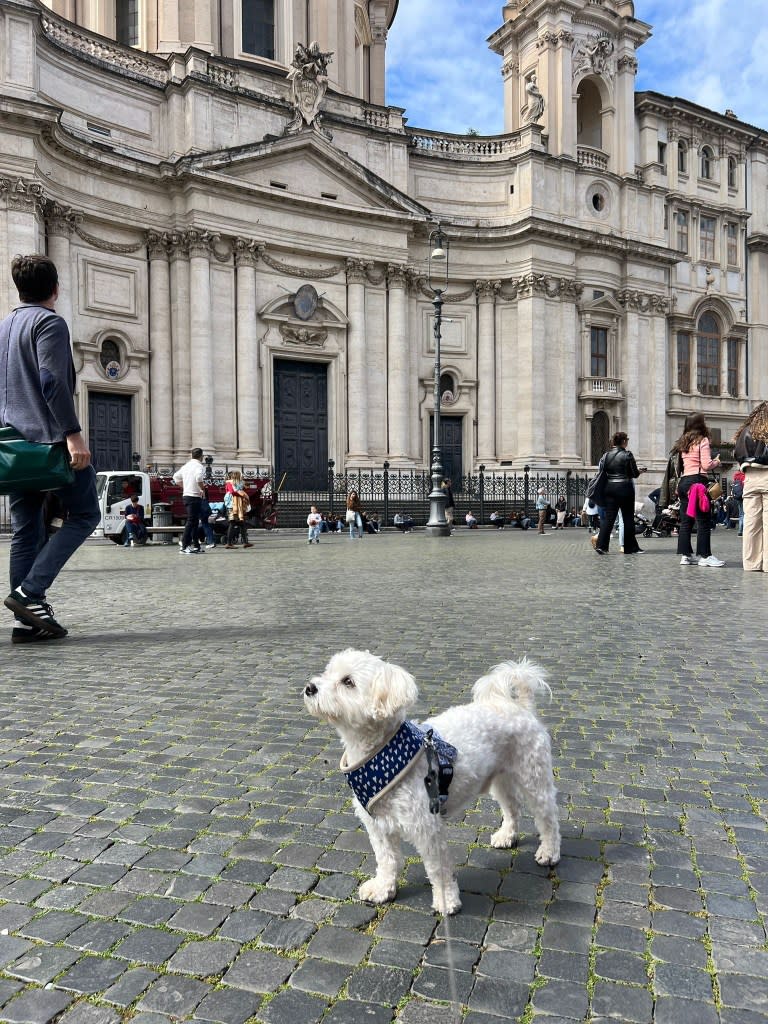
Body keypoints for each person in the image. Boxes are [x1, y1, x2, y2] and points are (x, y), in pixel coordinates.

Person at [1, 254, 101, 643]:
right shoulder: (49, 322)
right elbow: (52, 382)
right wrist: (72, 434)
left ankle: (26, 622)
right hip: (47, 442)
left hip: (13, 447)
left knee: (26, 530)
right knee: (85, 513)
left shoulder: (4, 325)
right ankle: (30, 593)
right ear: (55, 289)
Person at [672, 413, 724, 567]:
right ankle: (705, 556)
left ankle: (685, 555)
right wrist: (717, 462)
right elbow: (706, 465)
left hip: (684, 482)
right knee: (703, 520)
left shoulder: (683, 442)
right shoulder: (703, 440)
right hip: (698, 482)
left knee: (686, 521)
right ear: (700, 424)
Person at [594, 432, 646, 555]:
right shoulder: (627, 455)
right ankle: (629, 547)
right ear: (623, 442)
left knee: (609, 518)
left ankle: (602, 546)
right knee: (628, 518)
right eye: (626, 440)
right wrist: (640, 471)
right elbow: (634, 473)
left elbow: (602, 472)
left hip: (610, 488)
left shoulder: (606, 455)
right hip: (625, 488)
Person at [734, 401, 768, 572]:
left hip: (750, 478)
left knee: (750, 524)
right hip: (767, 475)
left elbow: (737, 455)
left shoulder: (745, 432)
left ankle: (751, 563)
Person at [173, 448, 206, 554]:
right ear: (201, 456)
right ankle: (184, 545)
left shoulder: (186, 466)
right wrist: (202, 488)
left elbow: (175, 477)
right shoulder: (199, 466)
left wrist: (185, 487)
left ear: (192, 455)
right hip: (194, 496)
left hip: (187, 495)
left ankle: (196, 546)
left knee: (195, 522)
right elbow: (199, 478)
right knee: (191, 521)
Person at [224, 470, 253, 549]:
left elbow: (246, 487)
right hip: (232, 505)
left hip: (239, 505)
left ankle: (245, 542)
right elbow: (232, 492)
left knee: (242, 524)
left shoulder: (239, 483)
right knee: (232, 523)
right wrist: (241, 494)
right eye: (240, 475)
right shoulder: (230, 483)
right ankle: (229, 543)